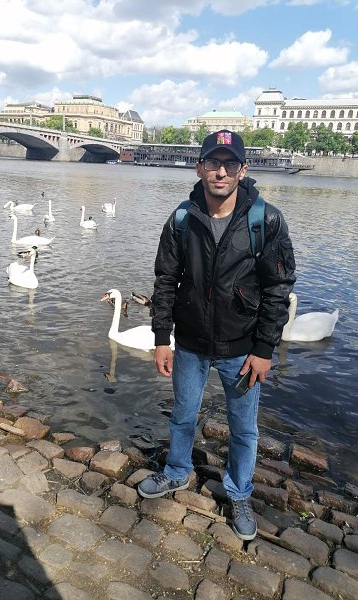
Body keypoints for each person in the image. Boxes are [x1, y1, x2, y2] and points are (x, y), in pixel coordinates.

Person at [138, 130, 296, 541]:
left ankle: (239, 492)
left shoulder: (266, 221)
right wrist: (161, 337)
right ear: (200, 168)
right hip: (190, 343)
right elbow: (165, 279)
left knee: (243, 428)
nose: (220, 172)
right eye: (213, 162)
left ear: (243, 170)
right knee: (182, 415)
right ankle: (177, 471)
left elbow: (278, 289)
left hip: (242, 348)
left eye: (229, 164)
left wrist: (265, 349)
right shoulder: (182, 218)